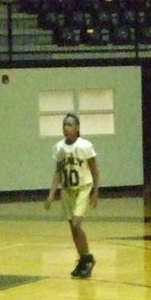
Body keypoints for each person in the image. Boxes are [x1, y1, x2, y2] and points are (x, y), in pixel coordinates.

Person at [43, 113, 100, 278]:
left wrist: (95, 192)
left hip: (83, 188)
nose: (66, 128)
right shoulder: (59, 148)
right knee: (72, 229)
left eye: (70, 125)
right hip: (67, 190)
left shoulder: (85, 146)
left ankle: (88, 257)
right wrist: (51, 194)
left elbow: (95, 170)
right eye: (64, 125)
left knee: (76, 223)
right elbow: (58, 172)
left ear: (77, 128)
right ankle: (83, 259)